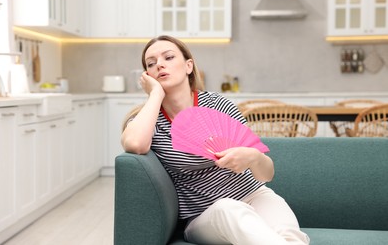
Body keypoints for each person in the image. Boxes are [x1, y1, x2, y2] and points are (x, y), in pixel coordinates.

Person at [121, 35, 310, 245]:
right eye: (151, 63)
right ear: (147, 76)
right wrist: (155, 94)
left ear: (188, 66)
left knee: (291, 238)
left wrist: (254, 157)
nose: (160, 65)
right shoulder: (149, 118)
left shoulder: (217, 104)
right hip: (206, 215)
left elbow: (267, 173)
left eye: (169, 57)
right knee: (228, 209)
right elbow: (135, 144)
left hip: (254, 195)